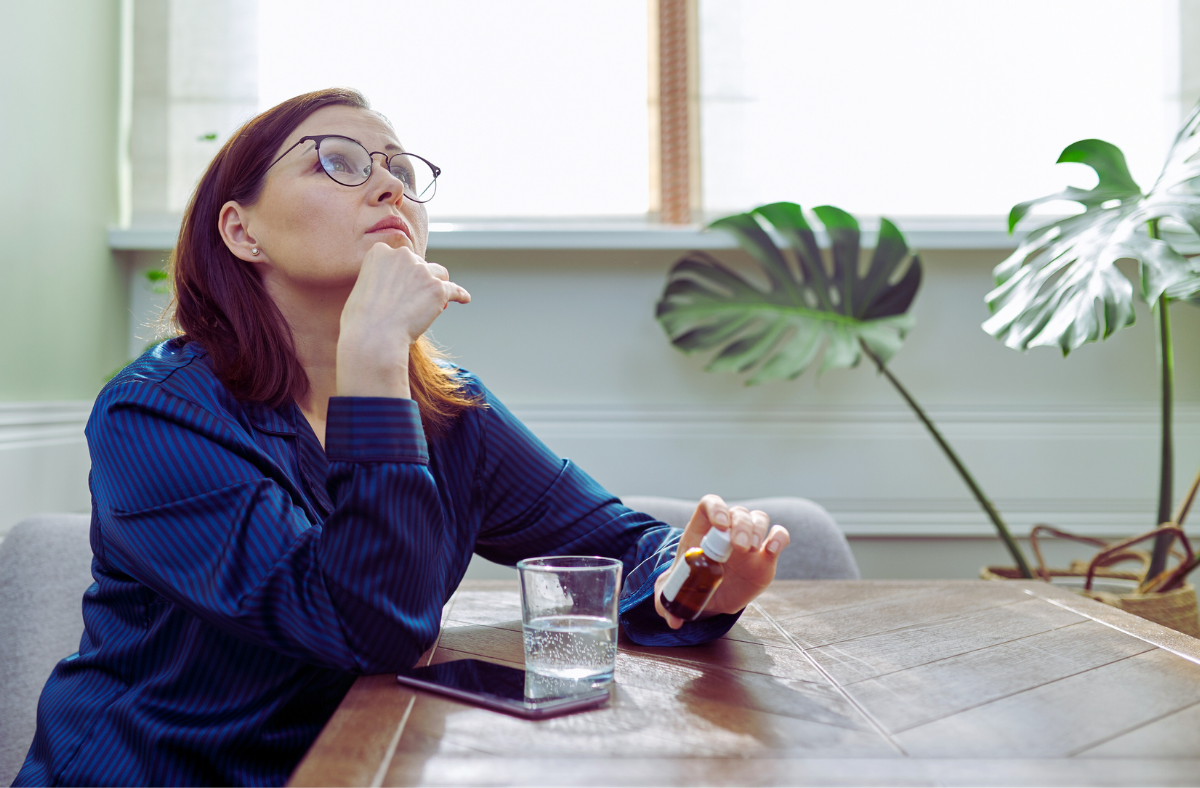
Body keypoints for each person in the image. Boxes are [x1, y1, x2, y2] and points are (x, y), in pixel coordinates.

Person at [14, 88, 791, 787]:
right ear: (241, 232)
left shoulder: (450, 410)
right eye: (338, 163)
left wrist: (697, 581)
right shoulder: (153, 414)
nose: (389, 185)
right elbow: (364, 630)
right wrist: (375, 356)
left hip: (365, 765)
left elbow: (621, 545)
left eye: (401, 173)